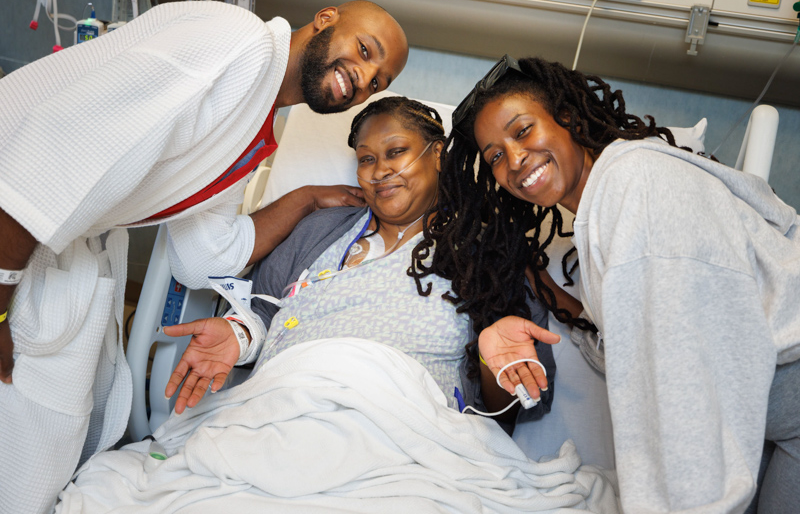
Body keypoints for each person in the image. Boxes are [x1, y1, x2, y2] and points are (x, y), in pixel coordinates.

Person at [0, 0, 408, 514]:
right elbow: (44, 156)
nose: (365, 77)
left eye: (379, 80)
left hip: (53, 244)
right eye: (365, 51)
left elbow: (203, 254)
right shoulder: (235, 43)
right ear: (326, 19)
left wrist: (302, 198)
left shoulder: (257, 121)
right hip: (13, 223)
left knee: (44, 463)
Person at [417, 55, 800, 513]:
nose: (514, 160)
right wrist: (542, 286)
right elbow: (636, 343)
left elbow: (679, 387)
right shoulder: (607, 205)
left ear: (567, 116)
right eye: (495, 156)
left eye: (522, 131)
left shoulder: (637, 186)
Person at [162, 96, 557, 420]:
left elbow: (519, 404)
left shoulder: (487, 253)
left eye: (396, 152)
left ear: (438, 154)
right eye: (366, 159)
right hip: (279, 412)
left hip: (408, 434)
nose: (379, 171)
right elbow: (260, 313)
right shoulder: (322, 230)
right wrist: (239, 335)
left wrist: (494, 367)